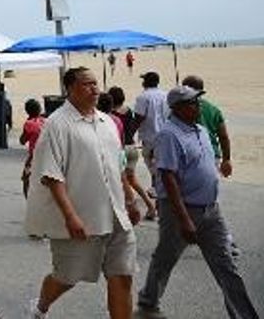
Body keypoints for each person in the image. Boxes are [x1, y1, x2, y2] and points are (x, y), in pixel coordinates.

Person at [24, 67, 141, 319]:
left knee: (122, 277)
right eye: (87, 84)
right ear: (70, 89)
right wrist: (70, 216)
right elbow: (51, 175)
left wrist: (130, 199)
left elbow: (117, 165)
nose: (95, 89)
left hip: (117, 215)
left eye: (96, 83)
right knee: (66, 277)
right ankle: (41, 305)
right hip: (82, 218)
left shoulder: (107, 122)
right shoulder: (57, 124)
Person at [136, 86, 259, 319]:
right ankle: (148, 300)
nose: (198, 106)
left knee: (226, 265)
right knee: (165, 258)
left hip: (211, 210)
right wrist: (184, 219)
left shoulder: (200, 129)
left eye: (197, 101)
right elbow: (168, 178)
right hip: (181, 211)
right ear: (178, 108)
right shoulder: (169, 135)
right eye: (193, 103)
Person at [110, 86, 157, 220]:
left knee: (122, 181)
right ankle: (150, 205)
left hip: (122, 149)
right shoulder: (129, 111)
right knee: (132, 180)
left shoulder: (111, 116)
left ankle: (129, 207)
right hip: (132, 148)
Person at [183, 75, 233, 177]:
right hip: (213, 155)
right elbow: (223, 137)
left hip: (191, 156)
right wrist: (226, 159)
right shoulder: (213, 109)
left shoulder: (181, 109)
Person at [135, 71, 169, 190]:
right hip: (166, 134)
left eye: (144, 80)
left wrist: (129, 133)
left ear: (146, 82)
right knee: (162, 162)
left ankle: (157, 186)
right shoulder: (166, 95)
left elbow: (139, 117)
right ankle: (158, 185)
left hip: (150, 136)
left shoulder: (143, 97)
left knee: (151, 162)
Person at [19, 98, 45, 199]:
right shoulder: (45, 121)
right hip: (47, 155)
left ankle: (29, 200)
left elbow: (22, 141)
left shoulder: (29, 124)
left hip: (34, 157)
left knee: (26, 179)